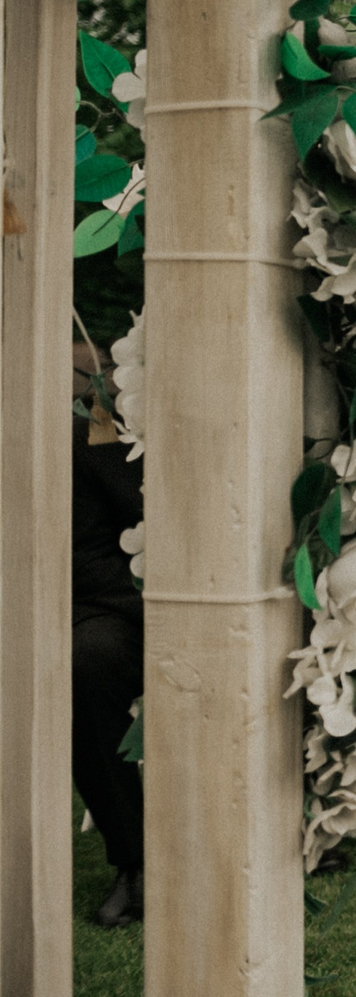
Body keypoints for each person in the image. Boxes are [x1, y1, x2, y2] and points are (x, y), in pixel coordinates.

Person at [70, 352, 145, 927]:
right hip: (123, 599)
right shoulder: (94, 417)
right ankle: (135, 860)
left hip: (252, 587)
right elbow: (90, 551)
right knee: (84, 663)